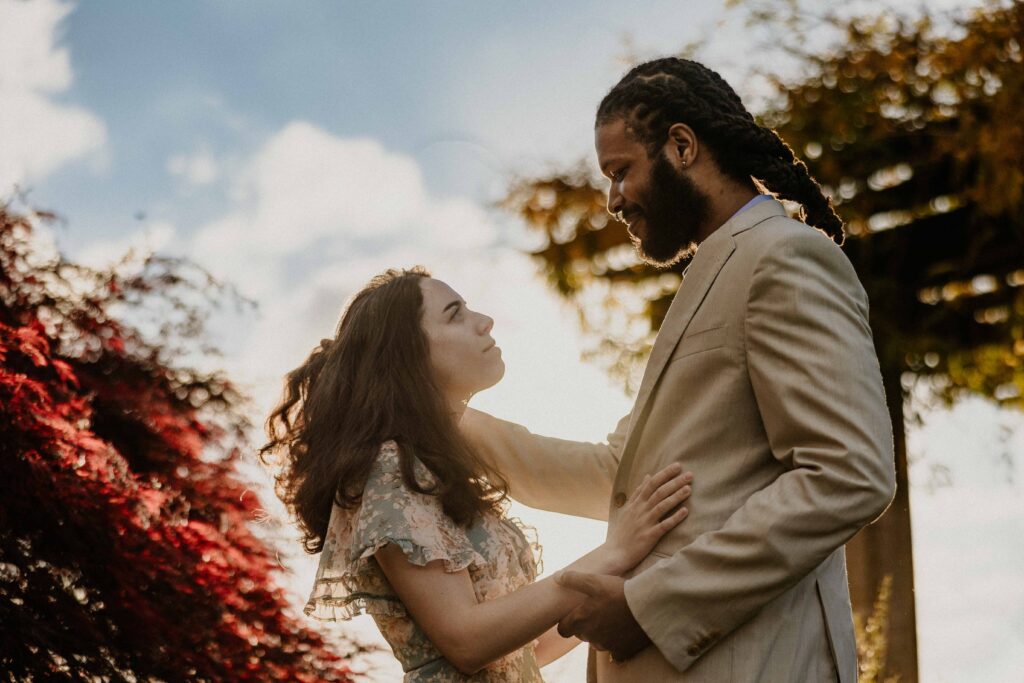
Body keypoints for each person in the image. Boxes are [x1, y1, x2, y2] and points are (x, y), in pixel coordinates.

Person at [460, 58, 897, 682]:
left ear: (682, 146)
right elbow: (619, 477)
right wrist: (446, 421)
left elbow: (848, 473)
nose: (613, 200)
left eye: (621, 172)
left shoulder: (782, 255)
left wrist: (648, 606)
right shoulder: (715, 273)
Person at [261, 267, 694, 682]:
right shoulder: (391, 468)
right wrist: (614, 551)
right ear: (407, 354)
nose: (485, 321)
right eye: (455, 315)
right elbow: (467, 642)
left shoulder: (435, 468)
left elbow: (525, 650)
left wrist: (623, 578)